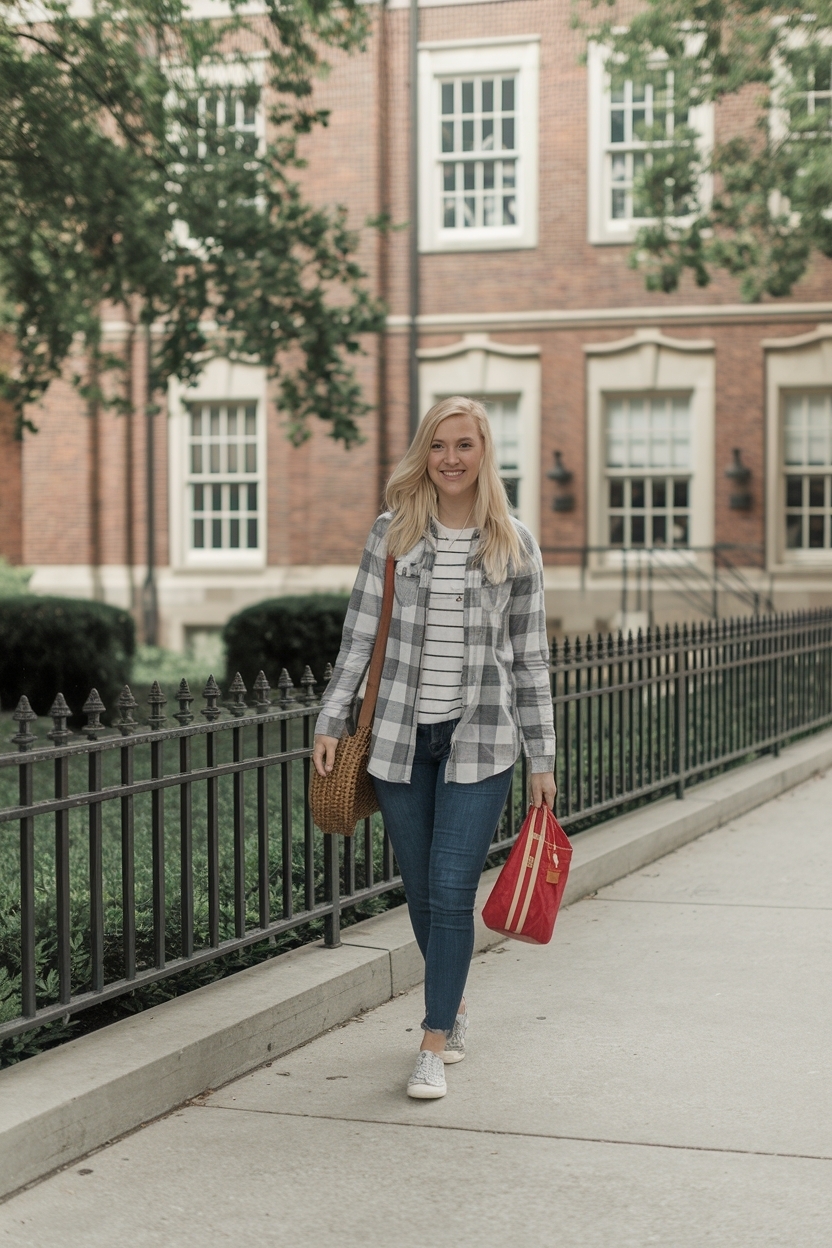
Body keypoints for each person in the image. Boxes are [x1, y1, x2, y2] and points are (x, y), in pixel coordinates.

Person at [312, 395, 556, 1100]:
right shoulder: (393, 534)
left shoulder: (513, 543)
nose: (451, 459)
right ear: (425, 452)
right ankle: (454, 1003)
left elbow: (531, 659)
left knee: (451, 889)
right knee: (420, 892)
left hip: (481, 740)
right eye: (439, 445)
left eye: (464, 445)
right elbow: (359, 634)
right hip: (398, 738)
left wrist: (542, 757)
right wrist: (331, 717)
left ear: (484, 454)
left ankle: (432, 1039)